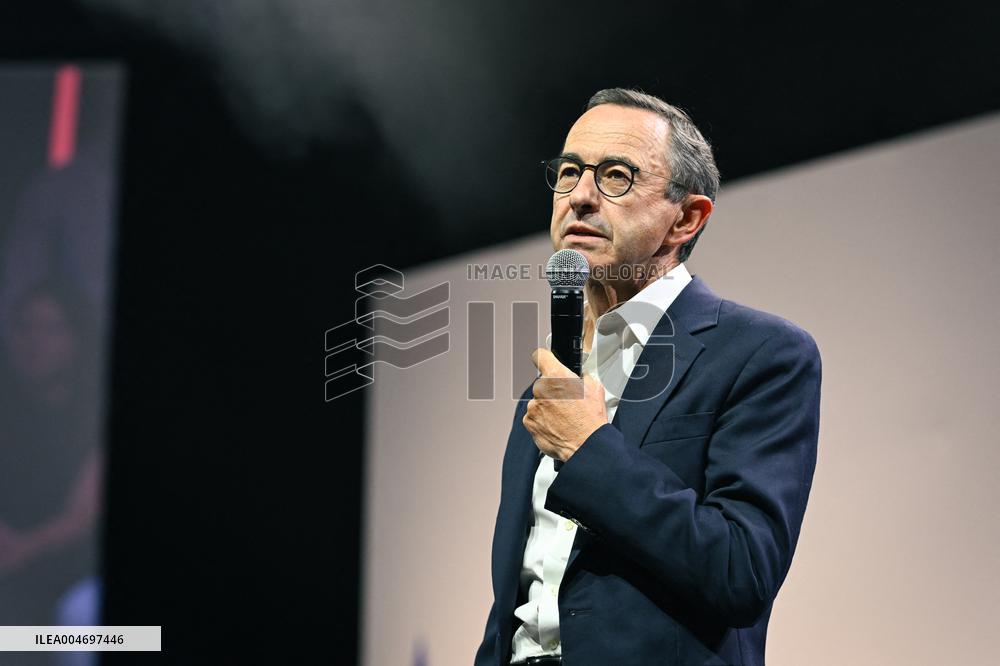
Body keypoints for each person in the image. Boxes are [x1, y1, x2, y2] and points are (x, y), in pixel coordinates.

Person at [474, 89, 821, 666]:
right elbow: (519, 594)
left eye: (615, 176)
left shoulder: (763, 354)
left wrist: (589, 449)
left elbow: (741, 570)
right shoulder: (548, 388)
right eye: (568, 173)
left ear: (686, 217)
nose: (579, 197)